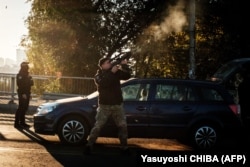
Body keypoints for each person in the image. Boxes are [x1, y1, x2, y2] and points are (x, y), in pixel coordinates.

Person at [84, 57, 131, 155]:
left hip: (117, 105)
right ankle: (89, 145)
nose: (110, 63)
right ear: (102, 65)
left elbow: (127, 76)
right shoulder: (98, 76)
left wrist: (124, 65)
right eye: (107, 62)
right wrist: (112, 72)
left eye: (110, 62)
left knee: (123, 126)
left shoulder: (115, 72)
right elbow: (104, 83)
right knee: (98, 126)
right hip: (104, 106)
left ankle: (124, 148)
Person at [14, 62, 34, 129]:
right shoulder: (20, 75)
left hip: (27, 92)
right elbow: (20, 85)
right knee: (21, 107)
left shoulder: (27, 74)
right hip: (22, 93)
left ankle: (22, 123)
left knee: (25, 108)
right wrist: (23, 94)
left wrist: (30, 78)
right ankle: (16, 123)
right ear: (23, 67)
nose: (28, 67)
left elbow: (31, 83)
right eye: (27, 66)